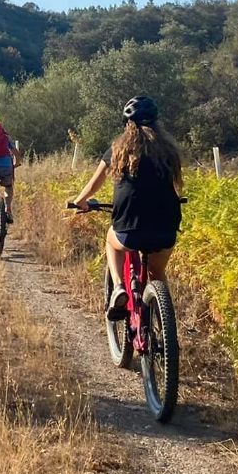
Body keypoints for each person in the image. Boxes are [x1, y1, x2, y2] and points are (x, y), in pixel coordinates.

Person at [71, 96, 182, 319]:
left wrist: (80, 201)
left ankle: (119, 287)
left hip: (129, 229)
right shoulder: (168, 151)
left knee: (111, 240)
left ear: (127, 124)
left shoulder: (118, 149)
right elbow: (175, 186)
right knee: (157, 272)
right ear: (156, 123)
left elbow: (94, 184)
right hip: (166, 228)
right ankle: (164, 320)